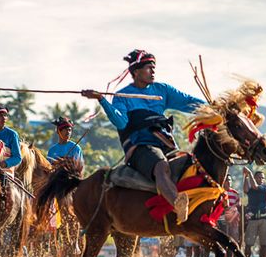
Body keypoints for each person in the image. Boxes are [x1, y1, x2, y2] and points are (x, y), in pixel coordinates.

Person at [81, 48, 204, 223]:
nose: (153, 71)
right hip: (140, 147)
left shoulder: (162, 90)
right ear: (136, 72)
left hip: (167, 144)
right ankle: (177, 203)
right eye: (148, 67)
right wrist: (102, 100)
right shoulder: (122, 96)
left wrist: (214, 106)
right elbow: (121, 123)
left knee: (193, 165)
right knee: (161, 166)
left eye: (154, 67)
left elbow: (189, 103)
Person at [241, 168, 266, 257]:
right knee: (248, 243)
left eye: (262, 178)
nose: (261, 179)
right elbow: (245, 190)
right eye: (259, 177)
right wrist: (246, 177)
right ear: (255, 177)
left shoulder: (264, 188)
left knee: (264, 243)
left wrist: (249, 173)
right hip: (253, 218)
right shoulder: (251, 189)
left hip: (264, 218)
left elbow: (255, 186)